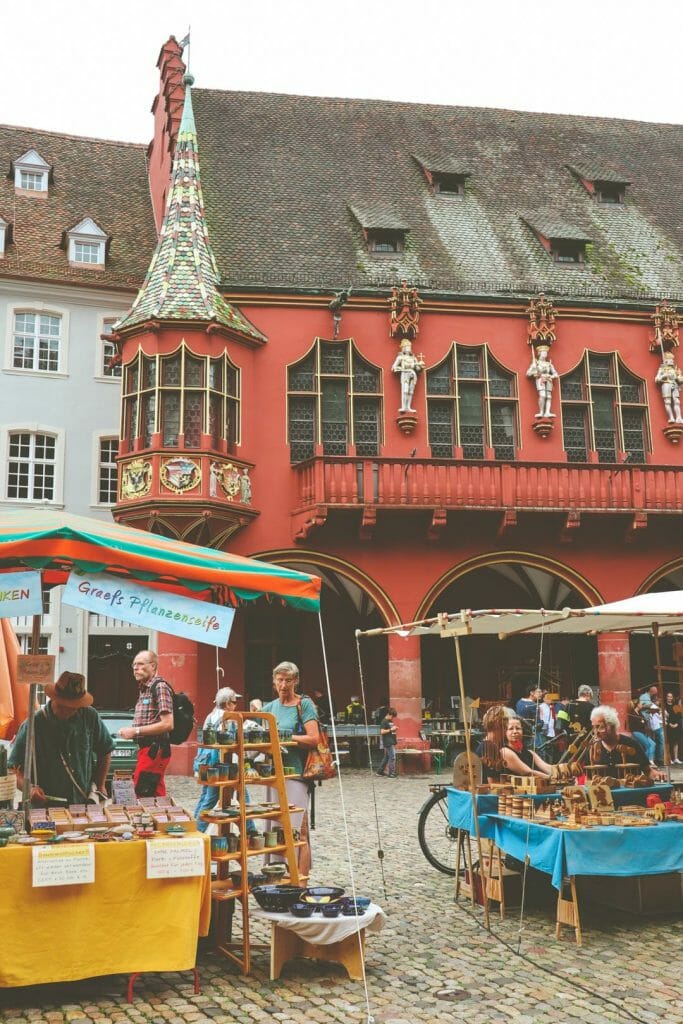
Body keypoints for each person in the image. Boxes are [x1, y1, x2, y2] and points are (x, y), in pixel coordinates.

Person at [9, 671, 113, 806]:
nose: (68, 711)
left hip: (83, 803)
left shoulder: (89, 716)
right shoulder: (33, 724)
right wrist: (29, 790)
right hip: (46, 806)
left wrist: (100, 784)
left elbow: (106, 750)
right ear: (54, 699)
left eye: (74, 707)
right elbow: (13, 769)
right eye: (63, 706)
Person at [262, 661, 319, 873]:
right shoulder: (270, 708)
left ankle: (301, 881)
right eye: (280, 680)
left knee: (298, 830)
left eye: (288, 680)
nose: (283, 685)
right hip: (273, 775)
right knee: (276, 828)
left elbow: (313, 738)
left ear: (296, 681)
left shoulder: (304, 705)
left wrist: (286, 737)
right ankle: (282, 877)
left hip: (296, 774)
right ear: (274, 681)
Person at [118, 650, 174, 798]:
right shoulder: (144, 689)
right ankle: (163, 814)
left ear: (153, 666)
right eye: (134, 665)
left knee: (141, 792)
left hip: (154, 748)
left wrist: (135, 731)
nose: (135, 668)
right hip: (147, 749)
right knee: (155, 793)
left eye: (140, 664)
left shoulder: (159, 687)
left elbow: (168, 724)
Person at [193, 687, 240, 831]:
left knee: (204, 797)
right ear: (227, 704)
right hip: (218, 765)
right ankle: (198, 831)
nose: (236, 705)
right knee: (210, 800)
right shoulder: (228, 718)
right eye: (234, 702)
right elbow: (229, 742)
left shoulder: (211, 715)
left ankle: (193, 827)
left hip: (205, 762)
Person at [589, 705, 656, 781]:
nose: (596, 732)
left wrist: (656, 775)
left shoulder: (631, 744)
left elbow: (648, 770)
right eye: (594, 727)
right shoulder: (591, 749)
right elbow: (588, 778)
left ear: (612, 725)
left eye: (600, 727)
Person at [391, 339, 425, 413]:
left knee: (411, 391)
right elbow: (393, 367)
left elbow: (417, 369)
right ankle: (404, 407)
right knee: (405, 390)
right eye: (407, 347)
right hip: (405, 374)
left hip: (412, 374)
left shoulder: (413, 358)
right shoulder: (400, 357)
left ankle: (408, 407)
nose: (409, 348)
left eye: (409, 347)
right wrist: (400, 369)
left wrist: (421, 366)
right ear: (403, 348)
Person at [526, 344, 559, 417]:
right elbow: (528, 373)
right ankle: (541, 412)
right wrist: (534, 372)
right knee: (543, 395)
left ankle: (547, 412)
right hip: (540, 380)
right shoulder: (536, 363)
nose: (545, 354)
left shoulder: (549, 364)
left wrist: (551, 376)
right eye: (543, 352)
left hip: (548, 380)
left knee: (549, 397)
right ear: (539, 353)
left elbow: (556, 374)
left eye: (546, 352)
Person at [654, 351, 683, 423]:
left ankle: (679, 417)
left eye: (672, 360)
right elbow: (657, 379)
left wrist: (679, 376)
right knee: (667, 402)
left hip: (674, 385)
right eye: (670, 360)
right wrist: (663, 376)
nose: (672, 361)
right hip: (666, 385)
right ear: (666, 361)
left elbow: (680, 380)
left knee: (677, 401)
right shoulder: (662, 369)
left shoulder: (675, 369)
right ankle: (671, 417)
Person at [626, 697, 656, 765]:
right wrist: (642, 722)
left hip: (642, 732)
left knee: (653, 744)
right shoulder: (633, 714)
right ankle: (647, 762)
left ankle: (649, 760)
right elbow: (639, 724)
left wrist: (642, 722)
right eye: (640, 703)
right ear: (637, 705)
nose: (641, 704)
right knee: (648, 745)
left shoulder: (640, 713)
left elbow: (644, 722)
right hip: (637, 732)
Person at [638, 692, 664, 766]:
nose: (659, 701)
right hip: (654, 727)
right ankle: (655, 759)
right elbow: (659, 715)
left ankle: (654, 759)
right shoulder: (652, 707)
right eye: (658, 700)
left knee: (655, 743)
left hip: (655, 727)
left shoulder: (655, 707)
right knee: (657, 743)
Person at [376, 708, 398, 778]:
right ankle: (391, 773)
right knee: (392, 757)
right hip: (388, 741)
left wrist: (394, 729)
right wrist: (391, 729)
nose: (392, 718)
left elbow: (390, 730)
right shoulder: (384, 721)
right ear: (389, 714)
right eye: (392, 716)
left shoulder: (389, 721)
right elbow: (382, 732)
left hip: (391, 740)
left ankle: (380, 771)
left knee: (386, 757)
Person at [664, 691, 681, 763]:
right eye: (668, 696)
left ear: (672, 698)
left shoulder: (676, 705)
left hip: (676, 725)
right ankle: (670, 759)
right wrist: (669, 724)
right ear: (666, 697)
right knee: (669, 742)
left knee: (676, 742)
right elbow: (664, 717)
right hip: (668, 725)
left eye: (671, 697)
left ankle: (676, 758)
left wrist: (677, 724)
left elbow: (679, 716)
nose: (669, 698)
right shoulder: (664, 706)